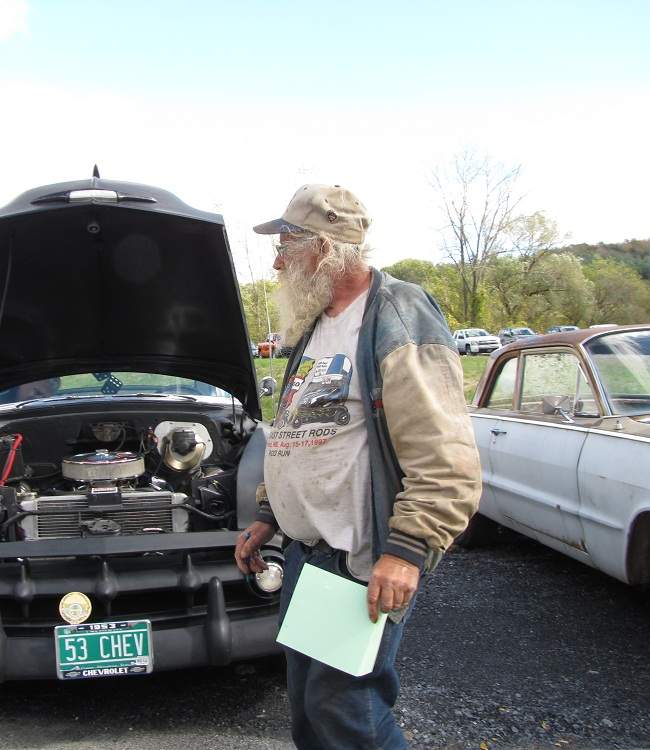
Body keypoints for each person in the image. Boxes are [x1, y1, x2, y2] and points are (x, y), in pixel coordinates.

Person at [234, 184, 481, 749]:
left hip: (358, 557)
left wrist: (407, 550)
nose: (277, 262)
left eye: (286, 246)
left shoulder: (396, 314)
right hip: (308, 553)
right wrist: (270, 516)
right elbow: (303, 433)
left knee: (346, 710)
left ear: (325, 248)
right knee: (309, 709)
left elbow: (445, 455)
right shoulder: (315, 326)